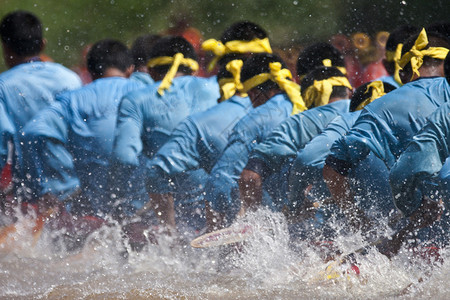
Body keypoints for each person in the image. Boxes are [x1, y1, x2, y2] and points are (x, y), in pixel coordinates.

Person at [323, 28, 450, 233]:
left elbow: (333, 168)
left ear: (401, 73)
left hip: (424, 236)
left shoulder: (380, 107)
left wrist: (356, 218)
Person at [21, 39, 146, 218]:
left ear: (91, 72)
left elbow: (32, 132)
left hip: (91, 205)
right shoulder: (149, 93)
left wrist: (54, 186)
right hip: (143, 204)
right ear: (130, 69)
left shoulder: (73, 100)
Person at [110, 36, 220, 228]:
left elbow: (124, 157)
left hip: (169, 216)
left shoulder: (136, 99)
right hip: (217, 208)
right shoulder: (217, 87)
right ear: (194, 69)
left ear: (151, 71)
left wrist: (120, 205)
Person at [204, 53, 307, 229]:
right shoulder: (317, 106)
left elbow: (221, 180)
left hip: (283, 227)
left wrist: (216, 228)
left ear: (254, 93)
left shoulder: (253, 121)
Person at [239, 66, 353, 216]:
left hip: (323, 229)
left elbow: (250, 177)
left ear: (311, 97)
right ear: (349, 91)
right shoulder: (373, 110)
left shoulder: (303, 121)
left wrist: (295, 204)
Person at [0, 11, 82, 212]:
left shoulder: (3, 85)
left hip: (32, 192)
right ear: (43, 44)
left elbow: (2, 140)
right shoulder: (71, 79)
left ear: (6, 48)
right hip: (74, 185)